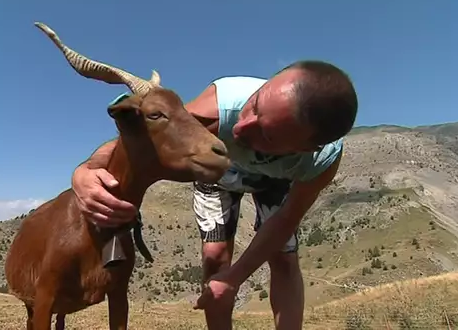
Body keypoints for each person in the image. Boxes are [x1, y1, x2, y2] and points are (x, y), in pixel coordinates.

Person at [71, 60, 358, 330]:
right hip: (220, 173)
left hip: (276, 179)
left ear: (306, 148)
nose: (241, 127)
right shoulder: (218, 107)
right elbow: (143, 140)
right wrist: (84, 171)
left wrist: (236, 277)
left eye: (265, 135)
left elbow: (285, 221)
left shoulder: (320, 162)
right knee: (215, 257)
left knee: (284, 260)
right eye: (254, 105)